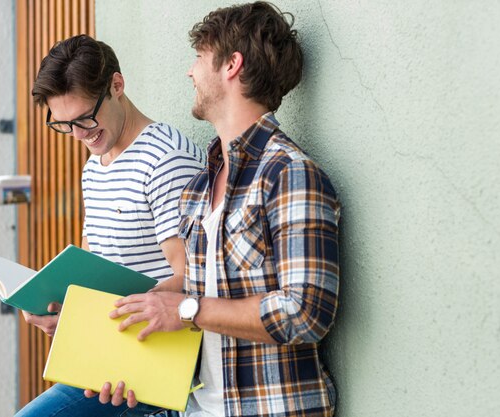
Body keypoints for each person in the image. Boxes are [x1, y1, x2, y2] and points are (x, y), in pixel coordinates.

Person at [98, 2, 341, 416]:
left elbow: (305, 312)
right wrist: (122, 343)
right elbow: (195, 298)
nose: (190, 72)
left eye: (199, 58)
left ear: (232, 64)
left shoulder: (289, 174)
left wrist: (187, 309)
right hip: (197, 406)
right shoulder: (198, 189)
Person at [15, 34, 205, 417]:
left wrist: (102, 318)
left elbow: (194, 276)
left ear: (116, 86)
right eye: (64, 125)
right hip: (115, 348)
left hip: (159, 356)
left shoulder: (165, 159)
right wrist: (61, 311)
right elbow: (97, 268)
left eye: (85, 118)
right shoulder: (95, 167)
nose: (80, 135)